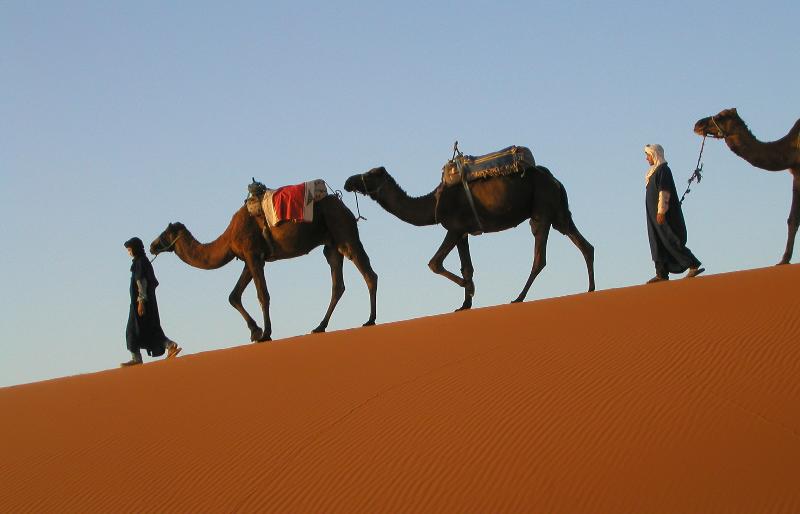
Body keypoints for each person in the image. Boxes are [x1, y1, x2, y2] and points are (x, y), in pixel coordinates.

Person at [643, 144, 705, 283]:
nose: (647, 159)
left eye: (648, 155)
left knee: (670, 240)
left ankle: (693, 263)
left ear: (654, 154)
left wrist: (661, 211)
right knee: (656, 242)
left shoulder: (663, 170)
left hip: (662, 215)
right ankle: (661, 273)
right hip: (653, 216)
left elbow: (664, 192)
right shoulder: (653, 172)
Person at [122, 237, 181, 366]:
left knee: (131, 330)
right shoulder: (143, 261)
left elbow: (141, 282)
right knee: (151, 329)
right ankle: (170, 345)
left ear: (135, 249)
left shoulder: (139, 262)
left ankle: (136, 358)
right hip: (148, 303)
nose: (129, 252)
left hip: (141, 304)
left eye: (130, 249)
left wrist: (141, 302)